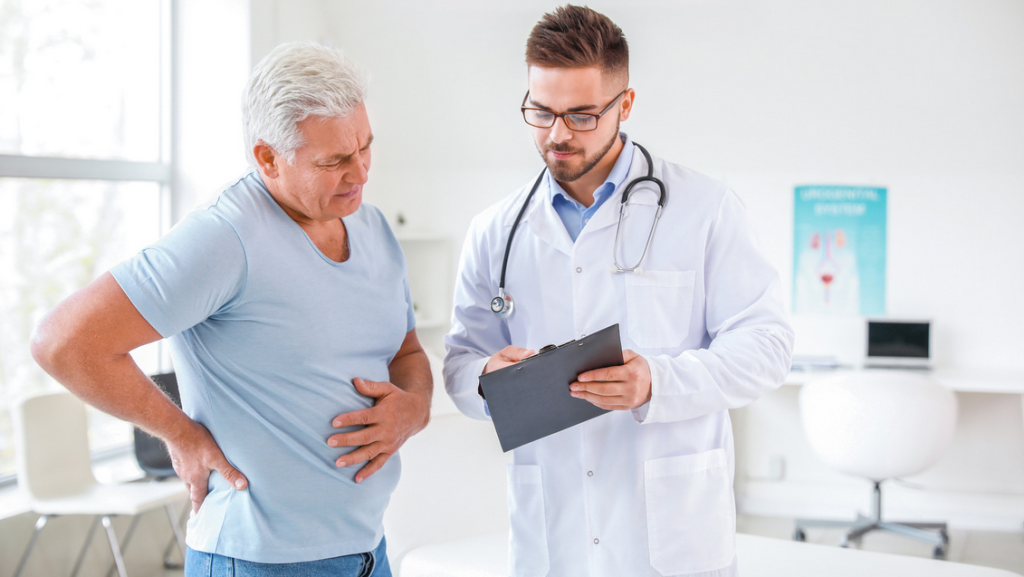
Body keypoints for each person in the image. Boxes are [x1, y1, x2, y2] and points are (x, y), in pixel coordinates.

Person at [31, 42, 430, 576]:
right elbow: (64, 343)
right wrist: (180, 433)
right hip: (259, 561)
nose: (359, 173)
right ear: (267, 157)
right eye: (334, 160)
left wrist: (415, 407)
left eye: (364, 148)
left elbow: (406, 351)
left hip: (366, 551)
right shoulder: (224, 238)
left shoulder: (374, 228)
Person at [443, 6, 794, 577]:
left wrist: (657, 380)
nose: (557, 134)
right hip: (552, 535)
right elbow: (460, 364)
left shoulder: (704, 210)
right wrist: (485, 377)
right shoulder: (496, 231)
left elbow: (767, 348)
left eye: (581, 115)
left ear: (624, 105)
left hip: (671, 535)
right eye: (541, 111)